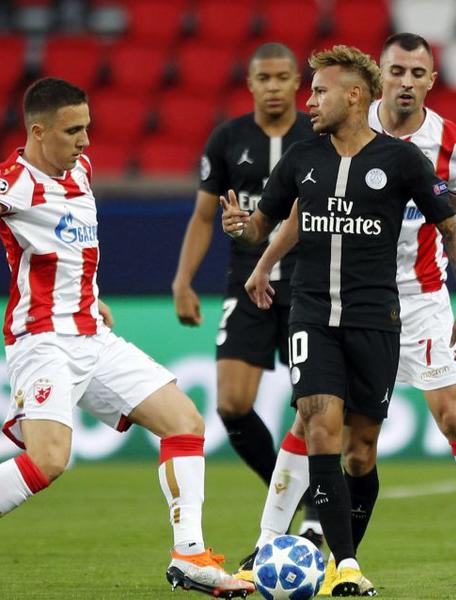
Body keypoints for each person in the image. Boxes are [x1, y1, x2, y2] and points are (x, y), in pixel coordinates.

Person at [239, 34, 456, 595]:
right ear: (375, 81)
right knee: (311, 422)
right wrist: (266, 262)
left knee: (453, 419)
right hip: (338, 297)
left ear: (431, 81)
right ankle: (268, 544)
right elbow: (306, 210)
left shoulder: (451, 143)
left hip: (418, 301)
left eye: (418, 73)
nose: (406, 82)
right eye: (397, 71)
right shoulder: (340, 126)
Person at [0, 78, 254, 598]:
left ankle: (189, 555)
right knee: (49, 459)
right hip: (43, 338)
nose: (86, 141)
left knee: (184, 420)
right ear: (38, 132)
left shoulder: (82, 170)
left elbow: (69, 249)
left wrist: (89, 296)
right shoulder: (13, 184)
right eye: (73, 131)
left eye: (88, 127)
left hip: (92, 335)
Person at [171, 42, 322, 542]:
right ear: (250, 83)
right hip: (246, 281)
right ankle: (288, 494)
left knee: (314, 405)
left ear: (297, 83)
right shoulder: (227, 138)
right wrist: (183, 280)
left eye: (282, 77)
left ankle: (316, 510)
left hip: (307, 281)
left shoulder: (317, 134)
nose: (273, 86)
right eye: (264, 78)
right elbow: (203, 217)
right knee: (232, 404)